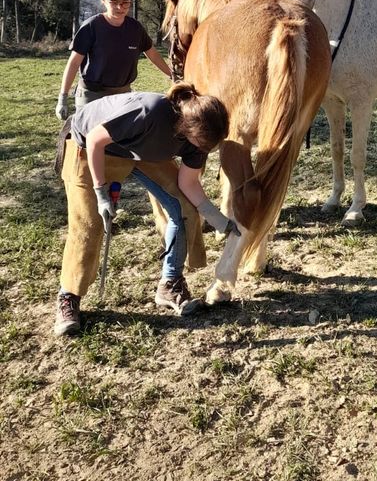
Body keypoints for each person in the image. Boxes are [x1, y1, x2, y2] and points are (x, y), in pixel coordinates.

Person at [54, 83, 240, 337]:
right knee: (89, 223)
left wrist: (218, 218)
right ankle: (69, 297)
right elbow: (96, 140)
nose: (204, 151)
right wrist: (100, 193)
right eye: (203, 144)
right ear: (188, 128)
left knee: (184, 208)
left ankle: (169, 283)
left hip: (139, 152)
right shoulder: (149, 113)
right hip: (88, 147)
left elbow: (188, 184)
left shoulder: (197, 142)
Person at [55, 0, 173, 120]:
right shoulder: (91, 27)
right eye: (114, 2)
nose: (120, 7)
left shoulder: (135, 28)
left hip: (123, 95)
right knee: (89, 139)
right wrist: (63, 98)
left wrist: (172, 75)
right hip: (92, 95)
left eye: (125, 3)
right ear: (103, 1)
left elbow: (153, 54)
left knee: (122, 139)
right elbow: (74, 63)